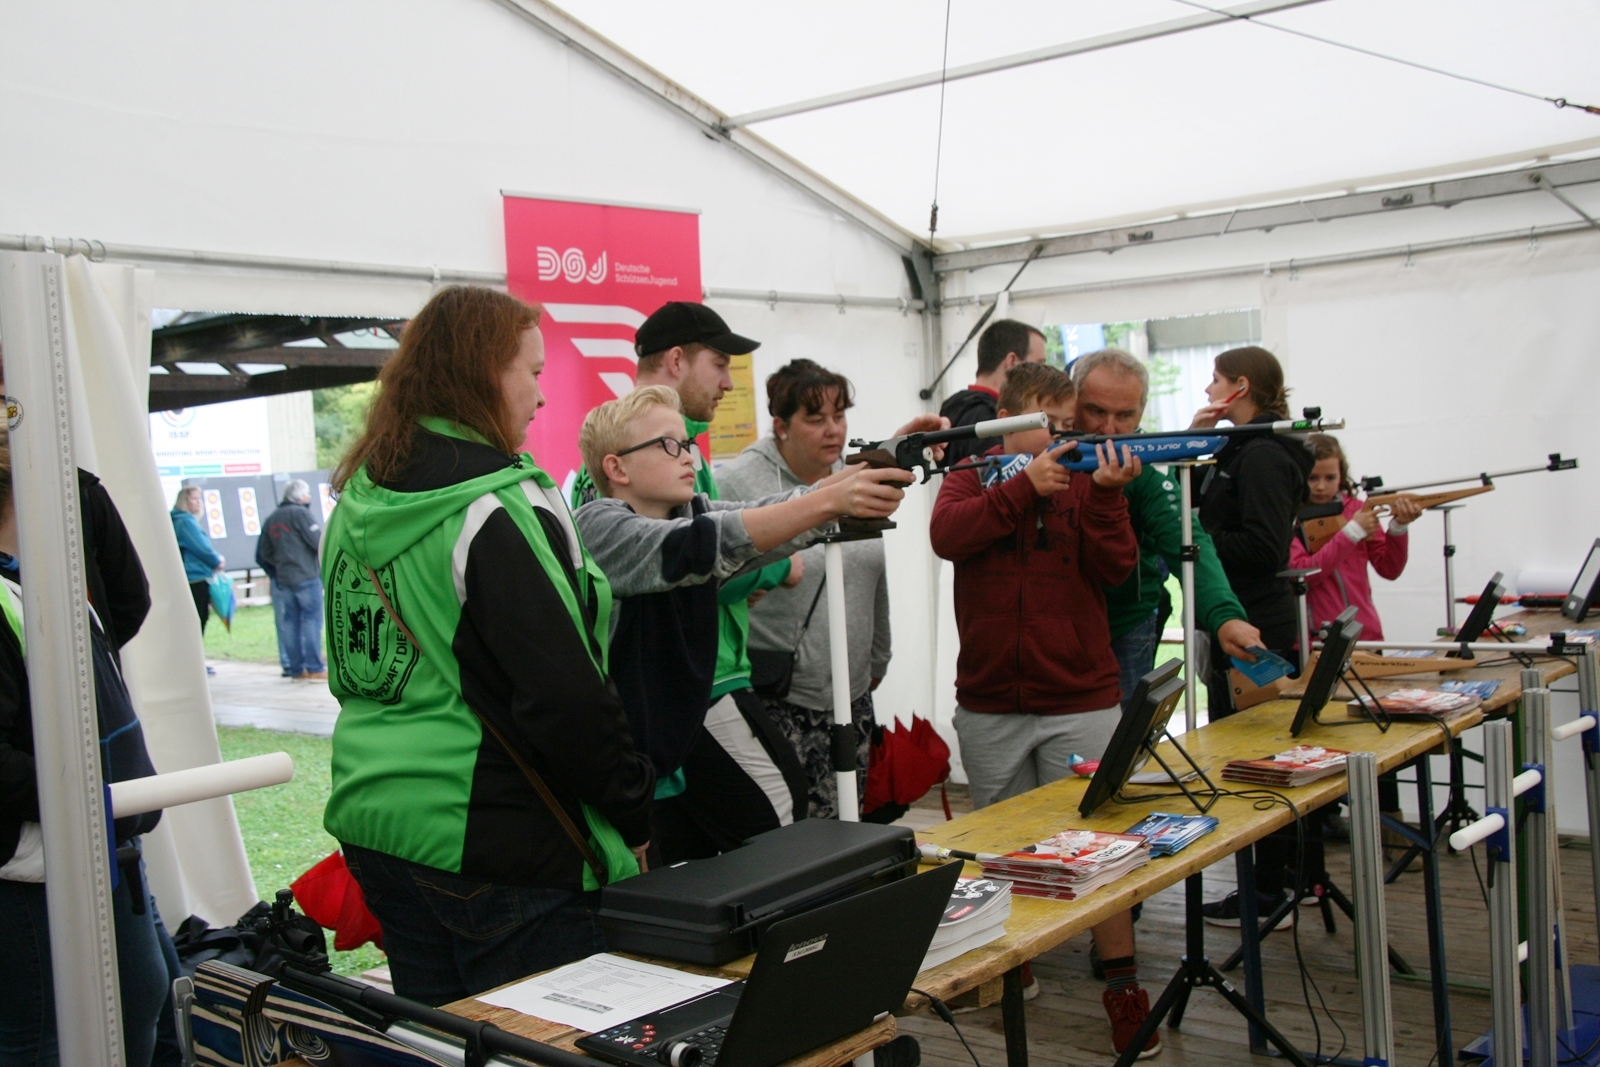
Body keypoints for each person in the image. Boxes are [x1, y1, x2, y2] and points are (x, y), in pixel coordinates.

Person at [321, 285, 655, 1006]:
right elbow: (565, 695)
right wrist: (633, 810)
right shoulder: (495, 503)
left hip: (378, 820)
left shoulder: (359, 497)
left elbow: (359, 664)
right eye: (531, 371)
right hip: (498, 842)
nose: (541, 395)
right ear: (482, 375)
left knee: (443, 1043)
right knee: (545, 1044)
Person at [574, 387, 913, 861]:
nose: (688, 455)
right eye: (668, 444)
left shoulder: (691, 511)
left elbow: (769, 517)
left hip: (664, 752)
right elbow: (705, 543)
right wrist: (832, 500)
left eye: (687, 443)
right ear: (617, 468)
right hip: (615, 764)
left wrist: (878, 464)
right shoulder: (597, 526)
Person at [929, 363, 1157, 1059]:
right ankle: (1011, 964)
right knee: (998, 850)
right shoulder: (971, 473)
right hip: (990, 698)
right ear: (1006, 421)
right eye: (1046, 424)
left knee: (1102, 848)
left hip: (1080, 695)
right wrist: (1023, 488)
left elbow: (1116, 570)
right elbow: (948, 535)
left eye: (1065, 424)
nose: (1060, 436)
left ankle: (1123, 988)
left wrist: (1108, 499)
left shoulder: (1089, 478)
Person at [570, 302, 804, 815]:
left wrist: (837, 495)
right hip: (691, 683)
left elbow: (727, 532)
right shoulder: (626, 464)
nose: (728, 383)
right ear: (677, 360)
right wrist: (775, 567)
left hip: (696, 680)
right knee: (776, 809)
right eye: (719, 364)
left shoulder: (672, 456)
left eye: (684, 446)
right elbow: (687, 555)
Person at [0, 438, 173, 1067]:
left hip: (104, 836)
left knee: (146, 995)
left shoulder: (48, 584)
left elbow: (128, 603)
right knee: (40, 1033)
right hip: (35, 860)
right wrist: (79, 789)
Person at [715, 361, 893, 821]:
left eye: (840, 416)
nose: (833, 430)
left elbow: (873, 568)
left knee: (848, 823)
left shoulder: (855, 477)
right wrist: (771, 572)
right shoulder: (737, 483)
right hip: (777, 693)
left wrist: (879, 655)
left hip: (852, 696)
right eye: (816, 419)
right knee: (793, 828)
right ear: (781, 426)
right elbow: (717, 575)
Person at [1191, 346, 1318, 927]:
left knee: (1256, 764)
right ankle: (1283, 883)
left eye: (1215, 379)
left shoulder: (1263, 455)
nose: (1208, 388)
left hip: (1253, 627)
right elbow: (1196, 499)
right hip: (1243, 621)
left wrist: (1196, 547)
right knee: (1255, 758)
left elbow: (1265, 548)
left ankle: (1269, 893)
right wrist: (1196, 446)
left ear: (1239, 386)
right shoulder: (1239, 448)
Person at [1069, 349, 1263, 704]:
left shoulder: (1148, 467)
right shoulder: (1044, 455)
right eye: (1096, 411)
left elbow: (1185, 538)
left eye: (1124, 415)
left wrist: (1225, 617)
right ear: (1073, 402)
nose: (1109, 429)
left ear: (1142, 410)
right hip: (1055, 627)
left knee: (1124, 731)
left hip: (1126, 623)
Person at [1290, 433, 1423, 863]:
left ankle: (1392, 830)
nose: (1321, 486)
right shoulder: (1293, 515)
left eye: (1330, 477)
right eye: (1313, 477)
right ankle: (1326, 820)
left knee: (1381, 735)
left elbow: (1389, 567)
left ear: (1342, 476)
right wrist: (1349, 534)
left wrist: (1398, 526)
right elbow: (1303, 573)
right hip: (1318, 642)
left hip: (1367, 639)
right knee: (1324, 736)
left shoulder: (1357, 510)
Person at [938, 319, 1048, 465]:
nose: (1043, 373)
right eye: (1039, 364)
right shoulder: (989, 417)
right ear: (1012, 362)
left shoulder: (953, 406)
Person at [255, 480, 327, 681]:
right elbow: (319, 542)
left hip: (284, 579)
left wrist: (278, 568)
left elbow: (263, 553)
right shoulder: (301, 514)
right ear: (301, 496)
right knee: (311, 620)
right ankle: (315, 667)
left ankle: (296, 669)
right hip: (306, 576)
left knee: (291, 623)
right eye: (308, 494)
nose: (309, 498)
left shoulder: (272, 518)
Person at [170, 483, 223, 635]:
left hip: (187, 576)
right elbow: (201, 547)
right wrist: (217, 560)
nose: (198, 502)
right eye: (194, 499)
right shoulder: (185, 521)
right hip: (196, 575)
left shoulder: (176, 519)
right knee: (199, 617)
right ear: (184, 501)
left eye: (200, 498)